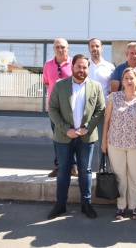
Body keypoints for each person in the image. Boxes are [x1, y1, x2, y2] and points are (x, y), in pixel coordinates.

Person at [47, 54, 105, 220]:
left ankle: (86, 204)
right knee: (64, 169)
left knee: (85, 171)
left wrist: (87, 128)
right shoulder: (60, 85)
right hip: (64, 136)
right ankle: (60, 205)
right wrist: (67, 130)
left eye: (85, 67)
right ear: (72, 67)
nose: (82, 70)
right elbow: (52, 109)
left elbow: (100, 110)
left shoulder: (96, 86)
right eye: (79, 66)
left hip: (86, 137)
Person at [101, 68, 136, 220]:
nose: (129, 81)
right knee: (119, 176)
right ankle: (121, 207)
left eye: (132, 78)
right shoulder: (113, 97)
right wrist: (104, 141)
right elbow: (106, 120)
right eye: (126, 78)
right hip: (115, 143)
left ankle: (135, 207)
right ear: (122, 80)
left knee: (135, 176)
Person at [43, 38, 77, 178]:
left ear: (68, 48)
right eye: (57, 47)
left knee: (73, 137)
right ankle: (59, 166)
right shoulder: (47, 65)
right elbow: (46, 83)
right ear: (53, 48)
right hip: (54, 109)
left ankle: (73, 166)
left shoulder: (73, 64)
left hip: (72, 108)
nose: (60, 49)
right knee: (57, 138)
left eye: (62, 47)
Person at [87, 38, 115, 168]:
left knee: (103, 142)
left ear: (102, 48)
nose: (95, 48)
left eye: (97, 46)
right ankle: (84, 170)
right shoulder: (85, 66)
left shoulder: (109, 67)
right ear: (89, 49)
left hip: (102, 111)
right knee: (85, 142)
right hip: (85, 111)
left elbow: (112, 90)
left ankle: (102, 170)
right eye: (92, 46)